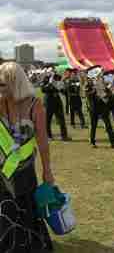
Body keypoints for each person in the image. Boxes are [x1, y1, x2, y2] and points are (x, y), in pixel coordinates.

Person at [0, 62, 54, 252]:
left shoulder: (34, 104)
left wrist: (47, 171)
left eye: (3, 84)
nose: (0, 88)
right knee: (5, 207)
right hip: (3, 169)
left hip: (24, 169)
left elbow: (43, 142)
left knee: (27, 208)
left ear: (15, 83)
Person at [85, 66, 114, 148]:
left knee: (108, 125)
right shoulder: (89, 83)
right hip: (93, 107)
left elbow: (107, 92)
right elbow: (87, 94)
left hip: (103, 106)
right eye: (98, 73)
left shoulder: (102, 81)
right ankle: (92, 141)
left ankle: (113, 142)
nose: (100, 74)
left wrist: (109, 92)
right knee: (93, 125)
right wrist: (94, 90)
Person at [41, 71, 71, 141]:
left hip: (57, 101)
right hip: (49, 102)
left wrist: (63, 88)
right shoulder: (46, 78)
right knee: (47, 120)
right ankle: (48, 136)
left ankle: (64, 136)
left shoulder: (58, 77)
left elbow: (62, 89)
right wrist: (50, 84)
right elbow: (43, 89)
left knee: (61, 120)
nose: (54, 72)